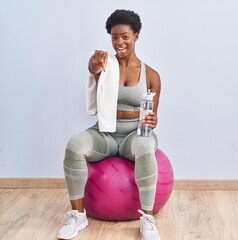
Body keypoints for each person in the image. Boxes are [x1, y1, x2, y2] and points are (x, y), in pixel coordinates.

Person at [57, 9, 161, 240]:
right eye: (114, 37)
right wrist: (94, 63)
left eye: (125, 36)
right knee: (74, 145)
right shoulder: (104, 64)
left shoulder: (151, 75)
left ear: (136, 35)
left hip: (135, 135)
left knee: (145, 147)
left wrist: (152, 120)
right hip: (105, 132)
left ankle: (147, 220)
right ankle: (78, 215)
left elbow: (153, 116)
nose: (119, 42)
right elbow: (92, 68)